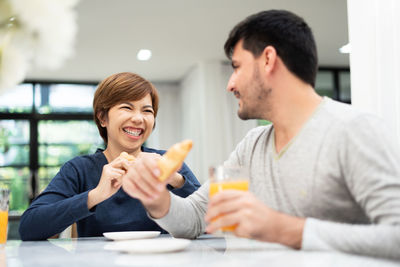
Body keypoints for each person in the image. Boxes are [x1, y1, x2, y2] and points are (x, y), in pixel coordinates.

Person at [122, 10, 400, 259]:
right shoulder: (252, 145)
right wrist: (157, 199)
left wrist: (284, 228)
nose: (230, 84)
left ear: (268, 59)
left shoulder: (354, 130)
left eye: (236, 67)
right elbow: (195, 219)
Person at [19, 72, 201, 240]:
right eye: (127, 108)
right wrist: (96, 195)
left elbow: (205, 220)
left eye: (147, 111)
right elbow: (29, 227)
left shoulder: (167, 162)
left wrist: (175, 179)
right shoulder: (79, 169)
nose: (139, 118)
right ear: (102, 118)